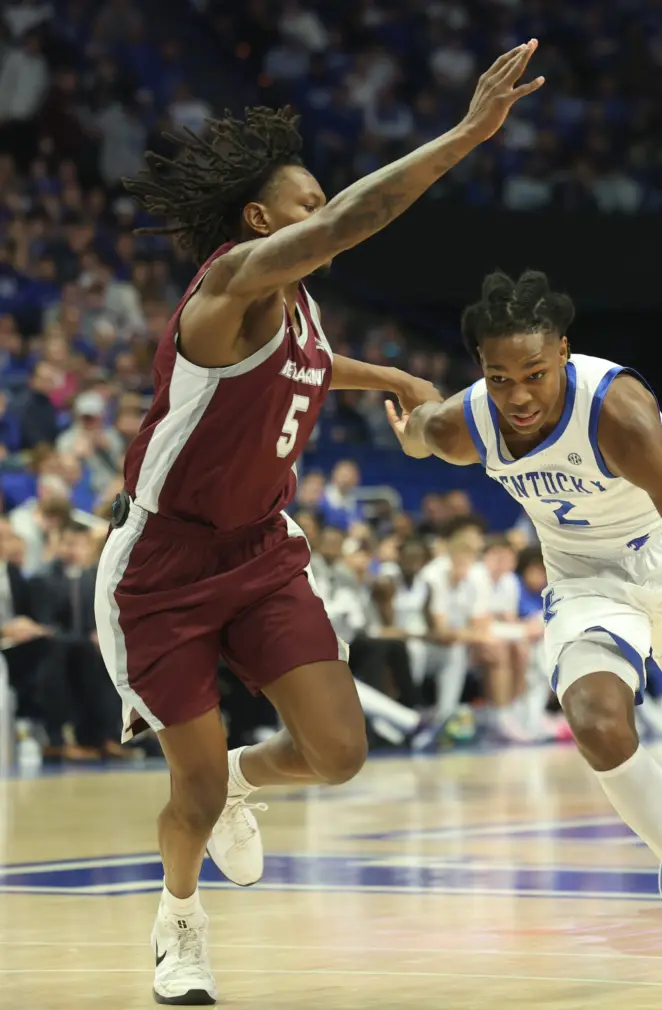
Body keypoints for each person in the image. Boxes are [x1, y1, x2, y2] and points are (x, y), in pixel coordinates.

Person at [94, 44, 544, 1006]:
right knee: (190, 791)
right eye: (309, 204)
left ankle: (244, 782)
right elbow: (354, 219)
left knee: (339, 752)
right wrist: (467, 135)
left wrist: (390, 377)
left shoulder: (295, 307)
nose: (326, 214)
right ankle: (179, 923)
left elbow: (308, 366)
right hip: (163, 566)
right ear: (261, 222)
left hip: (260, 549)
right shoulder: (226, 289)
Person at [385, 269, 662, 1009]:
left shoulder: (618, 416)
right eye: (500, 378)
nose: (519, 396)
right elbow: (422, 428)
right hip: (585, 578)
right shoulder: (469, 424)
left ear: (563, 352)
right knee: (596, 723)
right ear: (481, 371)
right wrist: (400, 416)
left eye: (535, 373)